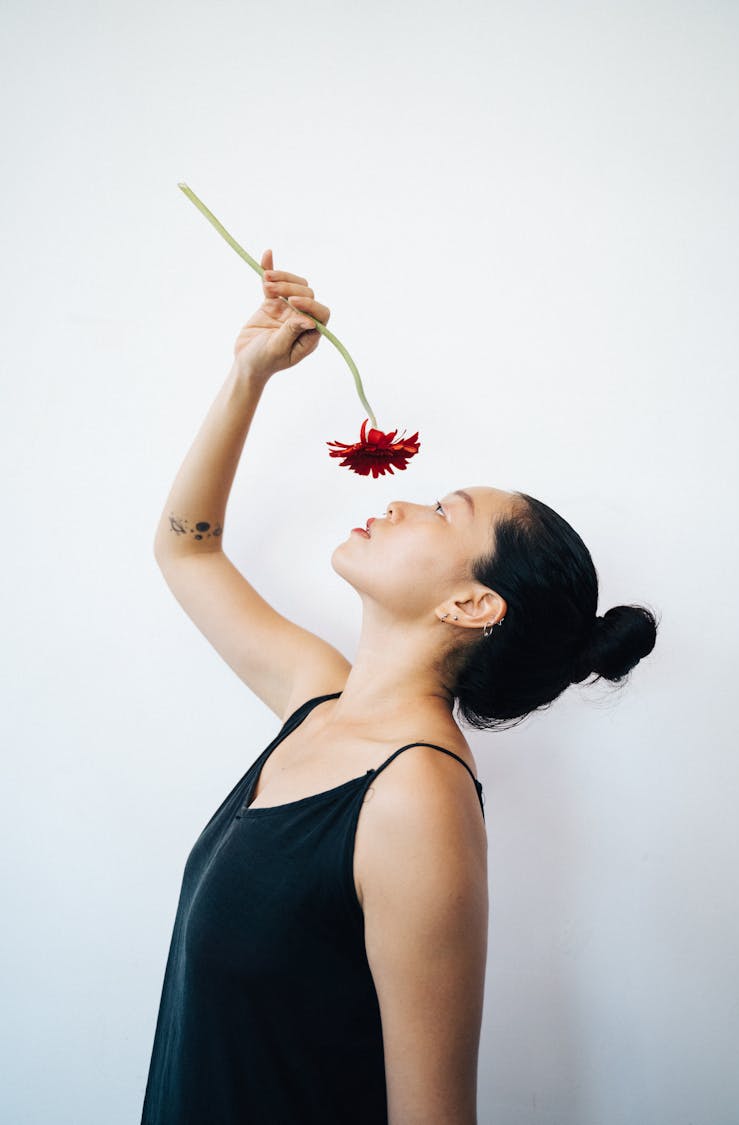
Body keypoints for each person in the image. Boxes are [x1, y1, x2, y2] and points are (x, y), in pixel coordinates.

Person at [142, 251, 659, 1125]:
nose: (407, 504)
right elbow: (185, 547)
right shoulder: (320, 700)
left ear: (471, 601)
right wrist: (250, 373)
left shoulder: (417, 796)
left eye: (446, 510)